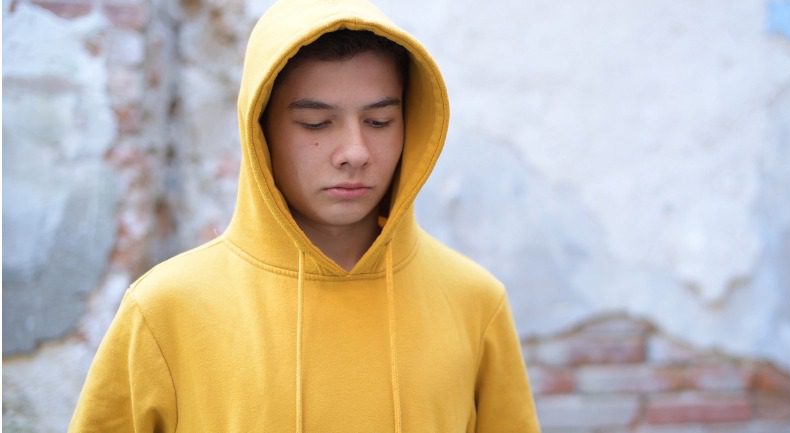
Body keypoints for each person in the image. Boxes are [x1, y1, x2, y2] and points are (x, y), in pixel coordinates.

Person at [69, 0, 541, 431]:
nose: (354, 152)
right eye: (316, 123)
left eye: (379, 122)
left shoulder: (474, 303)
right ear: (261, 131)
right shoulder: (165, 309)